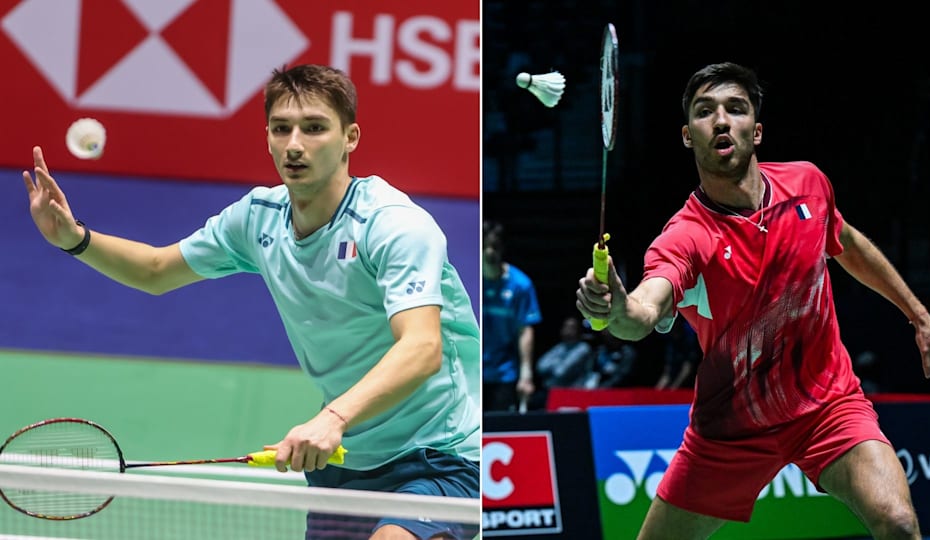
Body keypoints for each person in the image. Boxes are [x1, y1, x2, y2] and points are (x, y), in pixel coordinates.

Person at [22, 64, 480, 540]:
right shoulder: (258, 219)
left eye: (315, 128)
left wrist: (332, 417)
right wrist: (73, 239)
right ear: (267, 137)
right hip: (342, 461)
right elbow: (156, 270)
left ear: (351, 137)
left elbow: (422, 348)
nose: (295, 144)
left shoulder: (392, 225)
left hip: (437, 452)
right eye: (282, 129)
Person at [575, 62, 930, 539]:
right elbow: (644, 313)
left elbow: (846, 243)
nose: (720, 120)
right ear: (688, 135)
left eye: (735, 109)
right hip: (731, 430)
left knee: (898, 523)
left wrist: (921, 320)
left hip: (827, 405)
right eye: (704, 111)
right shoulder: (687, 237)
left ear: (755, 132)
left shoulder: (807, 184)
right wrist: (616, 308)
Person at [482, 219, 542, 412]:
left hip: (504, 374)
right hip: (469, 372)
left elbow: (525, 330)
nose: (490, 252)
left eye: (495, 247)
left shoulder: (520, 285)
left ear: (503, 248)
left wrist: (526, 375)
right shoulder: (468, 278)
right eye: (485, 246)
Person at [530, 315, 593, 409]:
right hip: (553, 392)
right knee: (532, 402)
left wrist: (554, 363)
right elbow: (540, 366)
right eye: (566, 326)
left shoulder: (583, 348)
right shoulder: (560, 347)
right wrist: (558, 362)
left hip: (573, 394)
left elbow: (560, 372)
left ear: (578, 330)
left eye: (571, 327)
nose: (567, 330)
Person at [654, 318, 699, 390]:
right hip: (677, 359)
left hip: (694, 374)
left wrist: (673, 389)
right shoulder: (670, 339)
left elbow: (687, 368)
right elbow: (667, 372)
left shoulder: (690, 334)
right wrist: (657, 392)